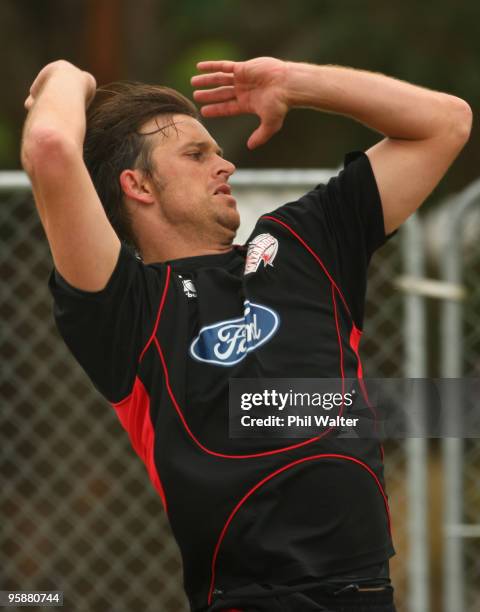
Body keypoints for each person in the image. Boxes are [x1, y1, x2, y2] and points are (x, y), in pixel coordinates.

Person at [21, 57, 471, 612]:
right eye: (196, 154)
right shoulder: (126, 306)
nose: (226, 165)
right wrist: (68, 76)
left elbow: (445, 122)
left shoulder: (305, 243)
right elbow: (49, 148)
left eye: (217, 151)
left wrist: (295, 83)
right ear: (137, 185)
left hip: (366, 593)